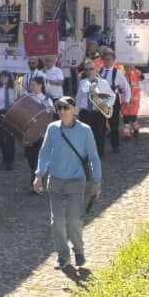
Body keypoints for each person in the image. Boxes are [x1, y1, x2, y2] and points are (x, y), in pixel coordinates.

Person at [33, 98, 101, 273]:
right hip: (55, 180)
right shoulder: (52, 128)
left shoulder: (85, 130)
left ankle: (78, 250)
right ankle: (63, 256)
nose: (62, 111)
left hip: (75, 181)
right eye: (59, 108)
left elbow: (93, 158)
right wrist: (39, 175)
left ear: (74, 110)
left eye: (65, 107)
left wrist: (96, 181)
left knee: (73, 220)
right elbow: (44, 152)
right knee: (57, 222)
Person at [21, 76, 56, 180]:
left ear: (40, 85)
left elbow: (50, 115)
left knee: (38, 156)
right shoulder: (27, 98)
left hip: (41, 133)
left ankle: (36, 179)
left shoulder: (46, 99)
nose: (31, 87)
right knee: (30, 156)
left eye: (34, 85)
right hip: (28, 132)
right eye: (30, 85)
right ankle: (37, 173)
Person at [76, 62, 110, 157]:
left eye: (91, 69)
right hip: (85, 112)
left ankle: (99, 153)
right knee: (86, 134)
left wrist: (105, 106)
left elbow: (111, 97)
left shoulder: (103, 82)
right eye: (86, 70)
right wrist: (76, 112)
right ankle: (87, 153)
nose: (89, 71)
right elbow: (79, 98)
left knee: (99, 133)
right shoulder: (82, 82)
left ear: (96, 70)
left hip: (98, 112)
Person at [100, 56, 132, 154]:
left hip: (113, 100)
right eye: (105, 59)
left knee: (114, 124)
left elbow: (126, 87)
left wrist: (127, 100)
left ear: (113, 61)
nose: (106, 61)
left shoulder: (117, 73)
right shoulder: (99, 72)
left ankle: (115, 145)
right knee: (100, 125)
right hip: (100, 101)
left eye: (109, 59)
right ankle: (100, 148)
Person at [0, 70, 19, 170]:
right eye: (2, 77)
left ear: (9, 78)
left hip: (11, 114)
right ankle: (6, 155)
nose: (4, 78)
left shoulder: (14, 89)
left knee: (10, 138)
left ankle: (9, 161)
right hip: (0, 114)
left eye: (6, 76)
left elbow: (19, 101)